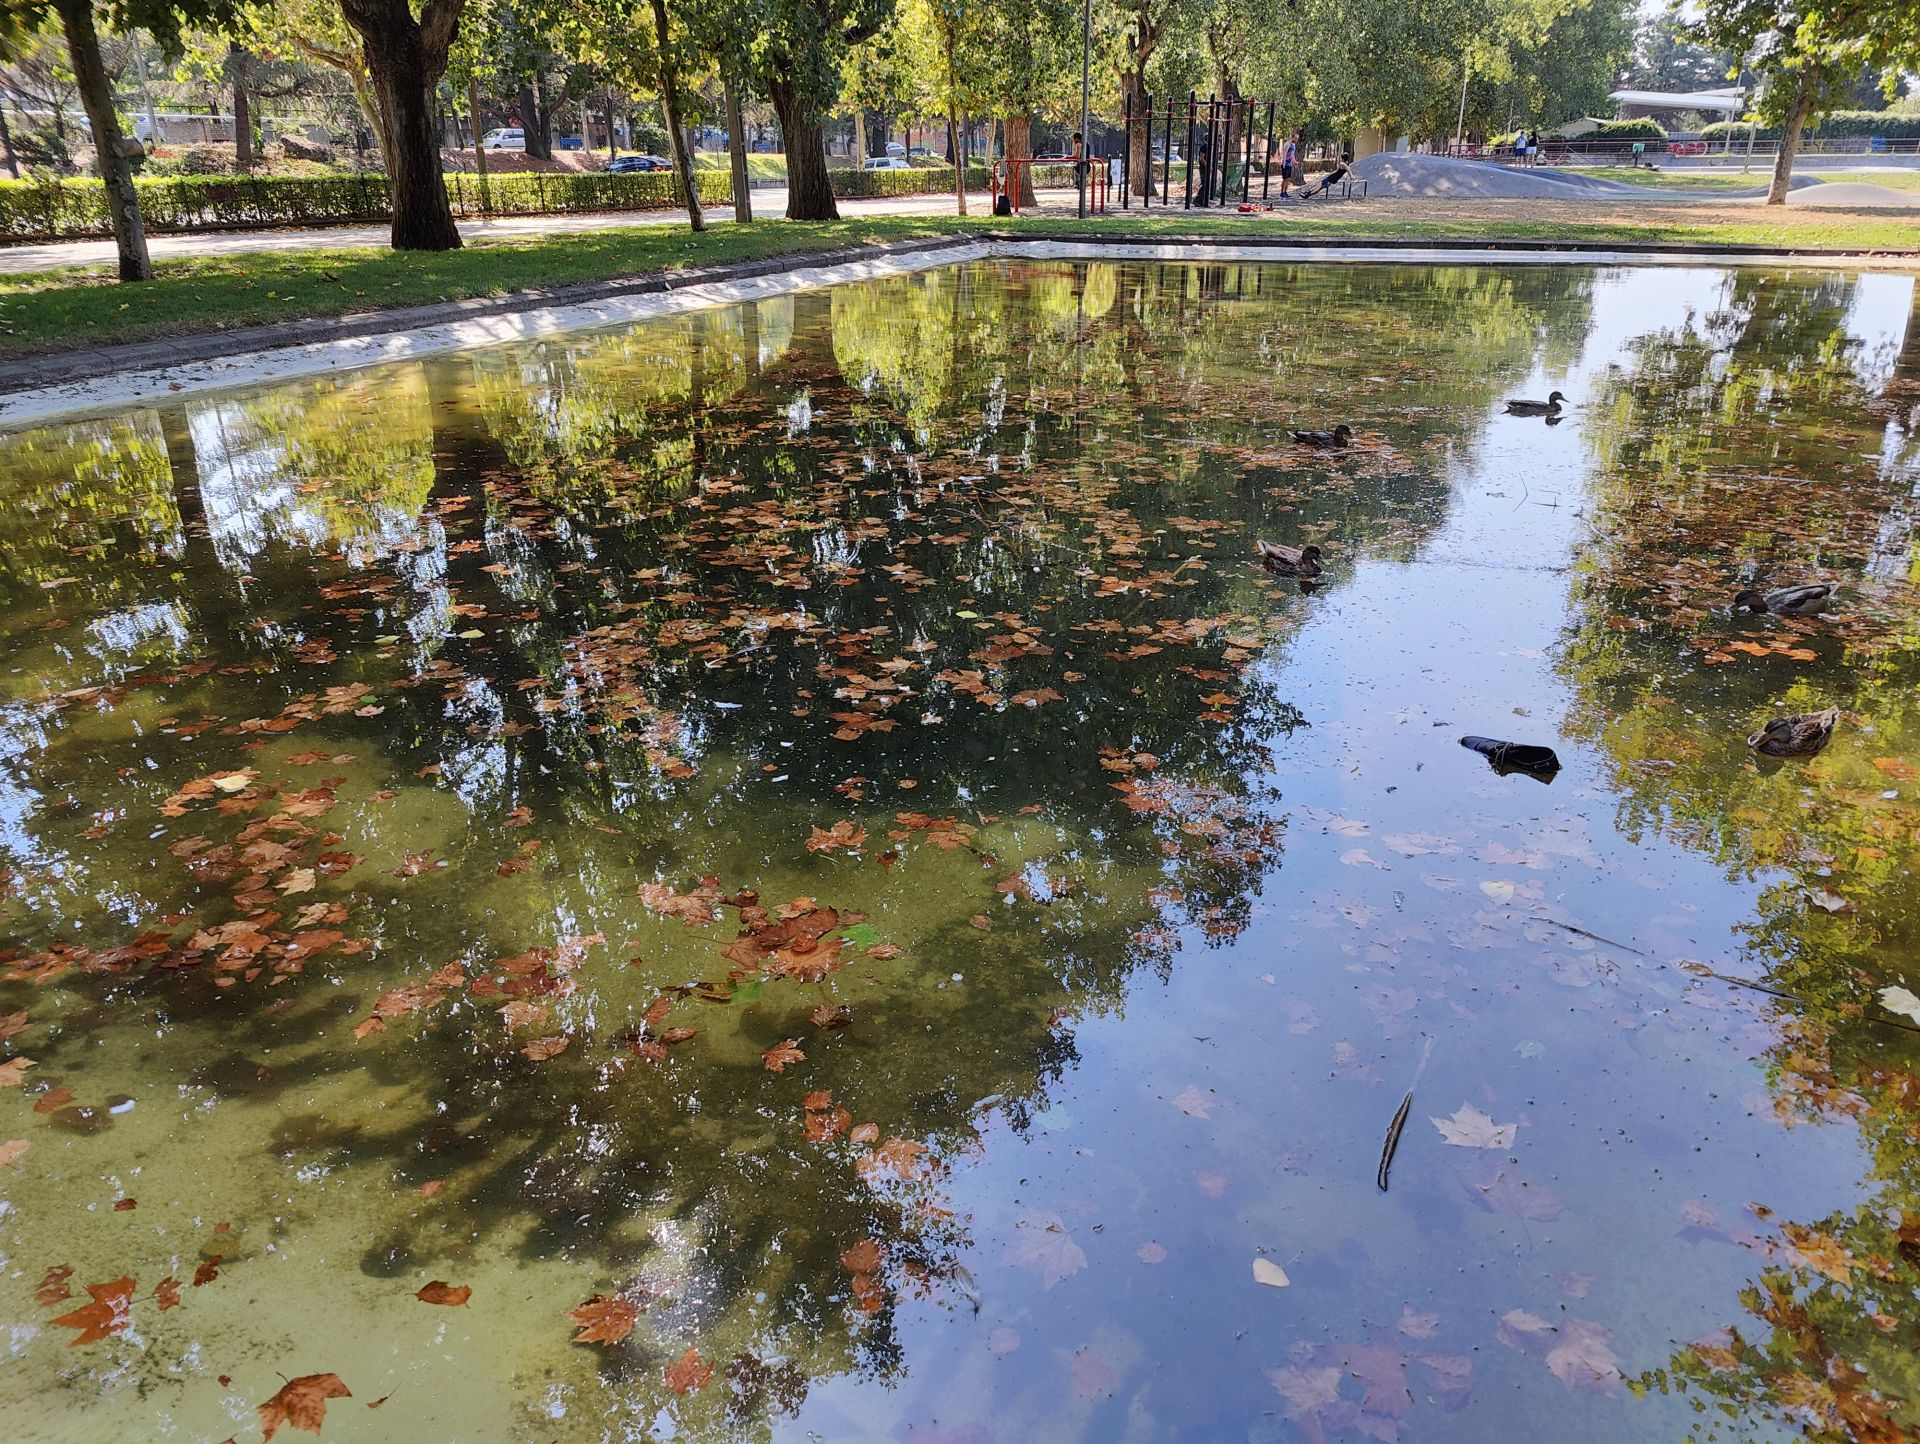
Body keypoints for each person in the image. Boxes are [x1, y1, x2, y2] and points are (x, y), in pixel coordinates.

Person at [1279, 130, 1298, 198]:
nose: (1297, 140)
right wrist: (1283, 163)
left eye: (1297, 138)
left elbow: (1292, 155)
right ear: (1292, 138)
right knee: (1285, 179)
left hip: (1290, 164)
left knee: (1288, 179)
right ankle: (1282, 193)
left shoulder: (1293, 145)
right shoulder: (1288, 144)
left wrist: (1294, 162)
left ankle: (1285, 192)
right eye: (1295, 138)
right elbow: (1284, 153)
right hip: (1285, 164)